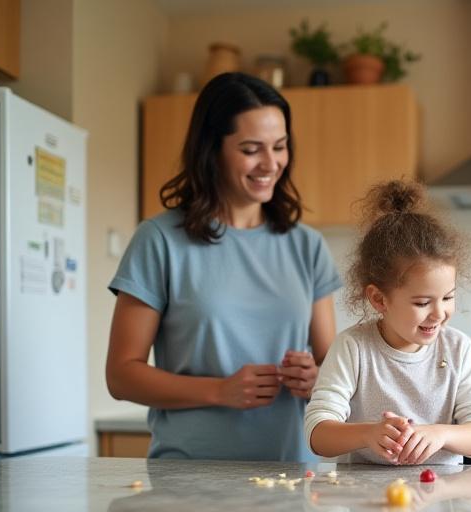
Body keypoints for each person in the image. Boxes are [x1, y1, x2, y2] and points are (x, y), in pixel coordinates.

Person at [106, 72, 342, 462]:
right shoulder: (160, 240)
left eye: (280, 147)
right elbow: (121, 374)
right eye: (251, 149)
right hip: (189, 479)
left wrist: (317, 379)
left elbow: (333, 366)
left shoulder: (308, 246)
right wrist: (219, 390)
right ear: (211, 149)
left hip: (294, 478)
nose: (271, 163)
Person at [304, 180, 471, 465]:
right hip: (365, 501)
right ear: (379, 299)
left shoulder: (457, 348)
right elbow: (317, 434)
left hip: (441, 501)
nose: (439, 313)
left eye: (448, 297)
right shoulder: (353, 347)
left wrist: (440, 434)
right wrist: (368, 434)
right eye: (422, 303)